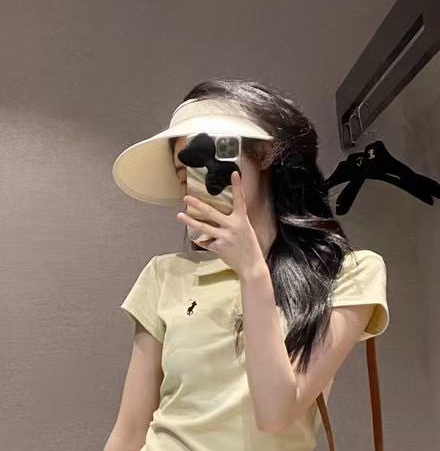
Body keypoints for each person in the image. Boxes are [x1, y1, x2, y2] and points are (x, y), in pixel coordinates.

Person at [105, 78, 389, 451]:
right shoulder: (165, 275)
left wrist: (252, 271)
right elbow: (129, 431)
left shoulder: (347, 273)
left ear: (265, 154)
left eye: (212, 161)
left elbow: (276, 414)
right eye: (186, 178)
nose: (199, 186)